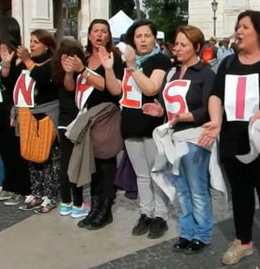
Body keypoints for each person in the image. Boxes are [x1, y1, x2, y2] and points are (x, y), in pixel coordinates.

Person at [199, 10, 260, 269]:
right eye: (238, 27)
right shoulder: (228, 63)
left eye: (244, 27)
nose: (239, 32)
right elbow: (216, 95)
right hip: (233, 138)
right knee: (240, 193)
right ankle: (243, 241)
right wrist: (216, 120)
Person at [142, 25, 217, 254]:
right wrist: (160, 111)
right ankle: (186, 232)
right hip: (174, 138)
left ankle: (202, 234)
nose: (177, 48)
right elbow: (170, 105)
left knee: (197, 189)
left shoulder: (206, 74)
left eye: (183, 44)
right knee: (182, 189)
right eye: (176, 43)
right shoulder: (173, 73)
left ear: (196, 47)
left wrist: (190, 115)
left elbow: (209, 105)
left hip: (195, 138)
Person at [65, 18, 124, 230]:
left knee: (105, 163)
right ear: (89, 35)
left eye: (104, 31)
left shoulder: (113, 58)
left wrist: (83, 71)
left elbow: (107, 87)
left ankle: (105, 209)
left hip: (105, 115)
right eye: (95, 31)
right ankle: (95, 207)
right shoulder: (86, 58)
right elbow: (71, 87)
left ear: (109, 36)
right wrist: (69, 72)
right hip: (86, 116)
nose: (99, 35)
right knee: (93, 167)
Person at [120, 19, 173, 239]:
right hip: (130, 123)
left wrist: (133, 67)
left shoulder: (159, 60)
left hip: (152, 125)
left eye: (147, 36)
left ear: (154, 38)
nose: (142, 40)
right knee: (142, 175)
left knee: (156, 173)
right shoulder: (128, 62)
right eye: (138, 36)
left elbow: (152, 87)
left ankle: (161, 216)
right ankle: (146, 212)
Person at [0, 17, 31, 205]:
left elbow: (11, 83)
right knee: (4, 150)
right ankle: (9, 186)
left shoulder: (20, 56)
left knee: (16, 151)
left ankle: (21, 188)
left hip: (12, 108)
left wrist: (7, 64)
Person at [13, 30, 60, 213]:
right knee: (33, 155)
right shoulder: (27, 63)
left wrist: (27, 60)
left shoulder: (52, 63)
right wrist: (10, 64)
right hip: (28, 113)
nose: (31, 45)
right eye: (31, 41)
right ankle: (37, 192)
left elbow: (41, 78)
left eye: (36, 42)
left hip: (47, 114)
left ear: (46, 45)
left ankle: (50, 195)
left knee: (49, 158)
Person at [53, 38, 90, 219]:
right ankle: (76, 203)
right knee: (74, 164)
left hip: (63, 121)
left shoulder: (57, 69)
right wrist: (70, 74)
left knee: (65, 163)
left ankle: (66, 203)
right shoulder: (70, 72)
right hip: (74, 121)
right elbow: (70, 88)